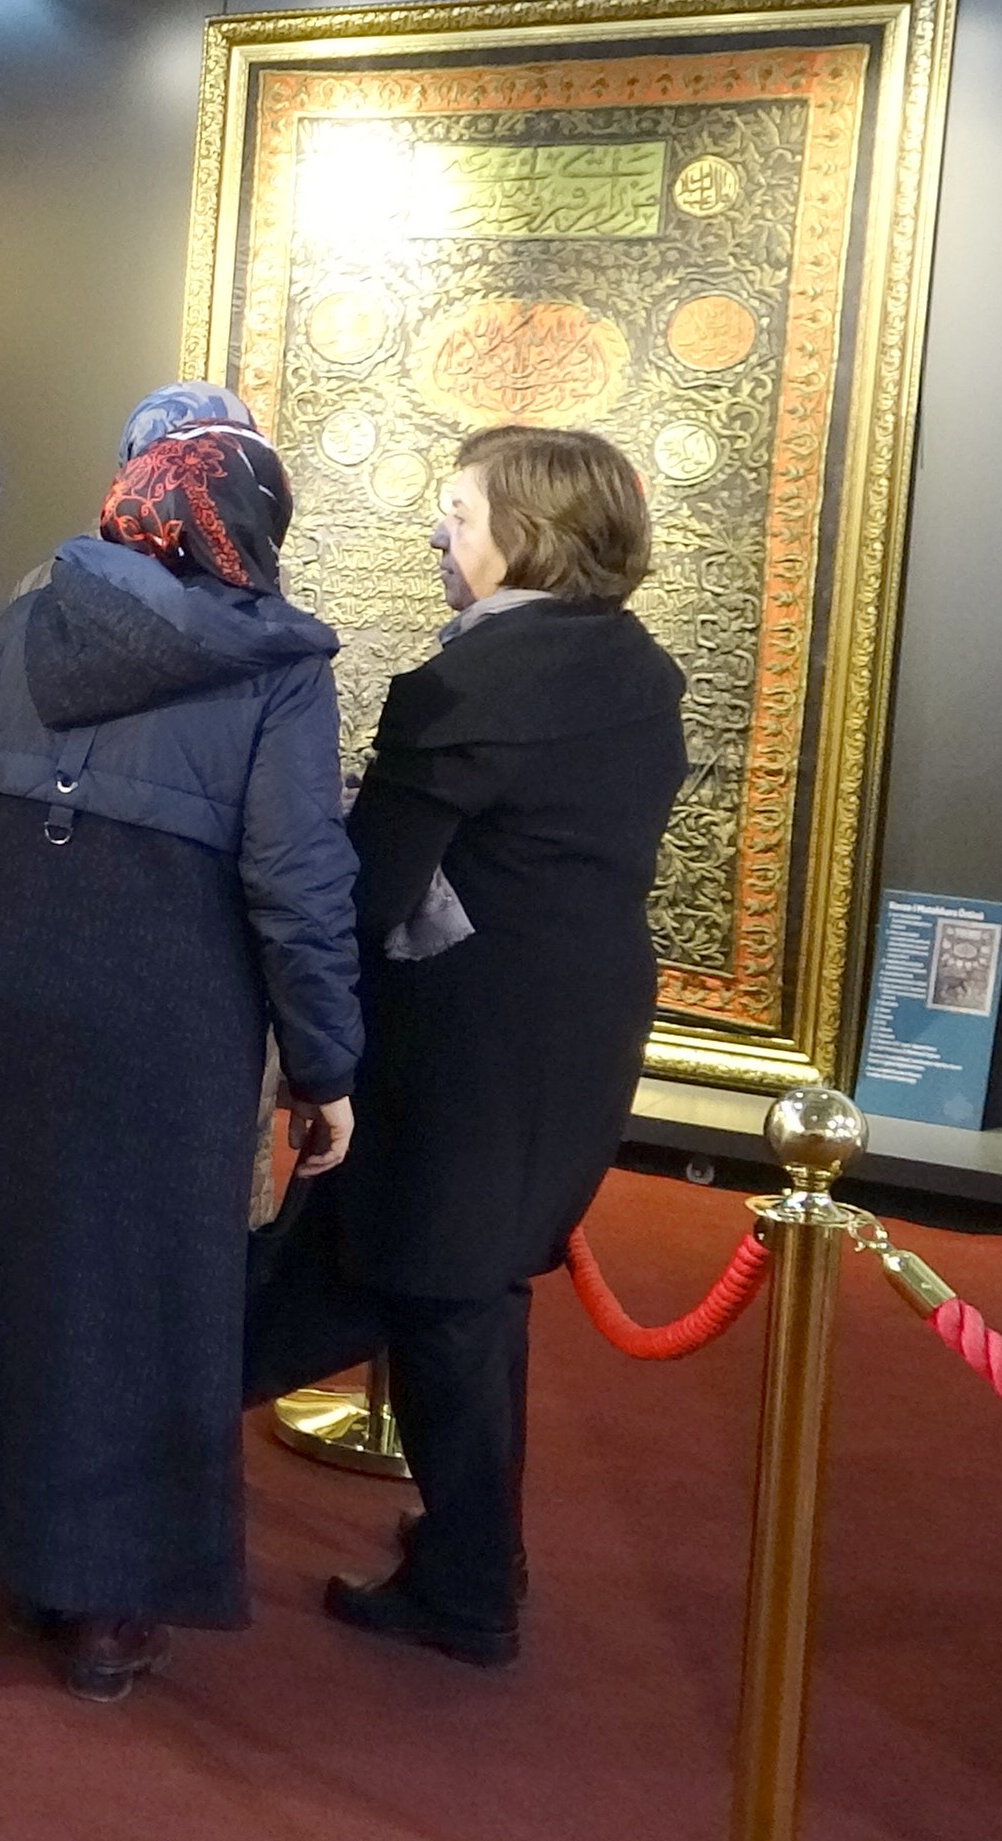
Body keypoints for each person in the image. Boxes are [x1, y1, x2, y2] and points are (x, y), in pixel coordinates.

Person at [0, 388, 362, 1703]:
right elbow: (296, 877)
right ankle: (104, 1603)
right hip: (164, 1002)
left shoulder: (36, 615)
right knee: (139, 1299)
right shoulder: (280, 665)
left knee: (1, 1257)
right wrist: (325, 1063)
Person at [243, 426, 686, 1669]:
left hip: (465, 1046)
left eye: (461, 511)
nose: (441, 532)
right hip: (579, 1028)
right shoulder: (638, 665)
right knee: (464, 1286)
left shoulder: (471, 686)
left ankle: (467, 1585)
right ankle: (473, 1555)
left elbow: (370, 890)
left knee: (420, 1289)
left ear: (526, 535)